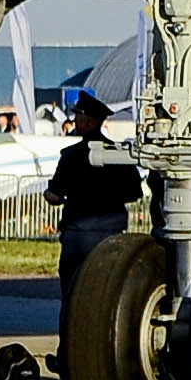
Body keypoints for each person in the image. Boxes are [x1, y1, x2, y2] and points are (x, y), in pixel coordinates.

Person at [45, 94, 144, 348]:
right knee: (108, 295)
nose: (76, 120)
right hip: (112, 235)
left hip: (80, 236)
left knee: (73, 296)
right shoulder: (120, 155)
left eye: (78, 115)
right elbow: (135, 193)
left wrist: (60, 196)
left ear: (88, 121)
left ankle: (69, 349)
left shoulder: (71, 156)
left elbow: (55, 194)